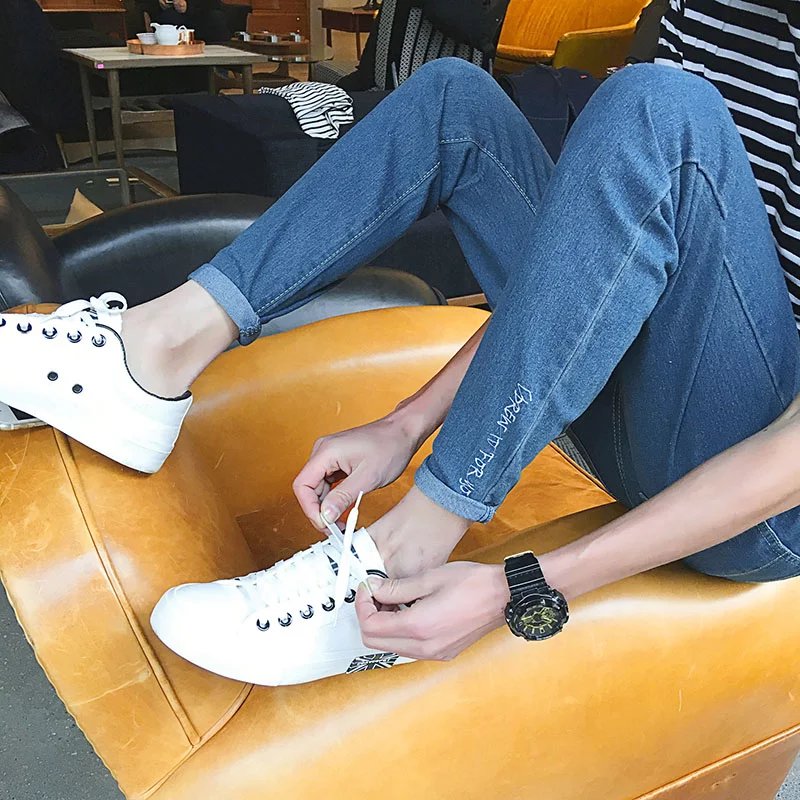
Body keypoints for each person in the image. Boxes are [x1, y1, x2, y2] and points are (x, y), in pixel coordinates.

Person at [3, 3, 800, 684]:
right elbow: (603, 269)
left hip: (765, 504)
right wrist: (405, 423)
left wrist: (522, 585)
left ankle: (409, 552)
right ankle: (157, 350)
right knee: (455, 102)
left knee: (659, 111)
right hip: (655, 407)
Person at [143, 0, 230, 44]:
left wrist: (188, 6)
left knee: (216, 18)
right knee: (168, 19)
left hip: (200, 14)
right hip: (167, 16)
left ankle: (218, 67)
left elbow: (214, 4)